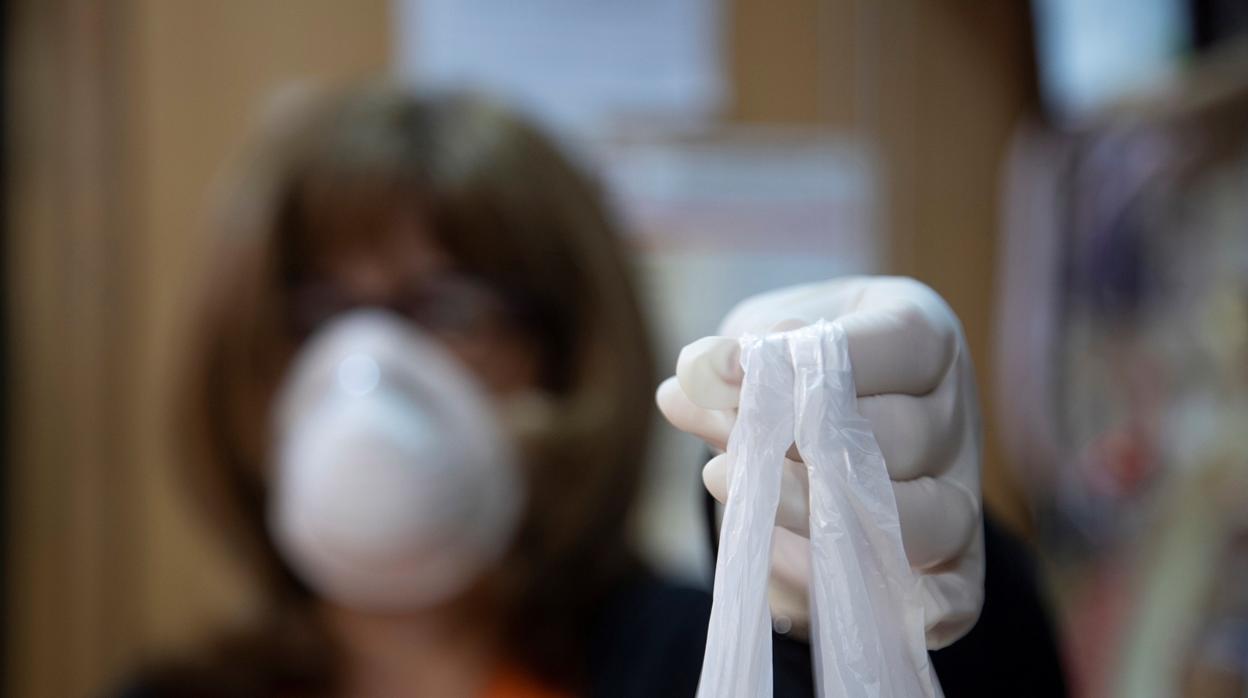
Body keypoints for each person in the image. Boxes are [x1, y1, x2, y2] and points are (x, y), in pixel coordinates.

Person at [118, 84, 1064, 697]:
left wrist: (878, 549)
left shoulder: (696, 663)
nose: (367, 369)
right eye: (316, 314)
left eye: (446, 307)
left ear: (569, 352)